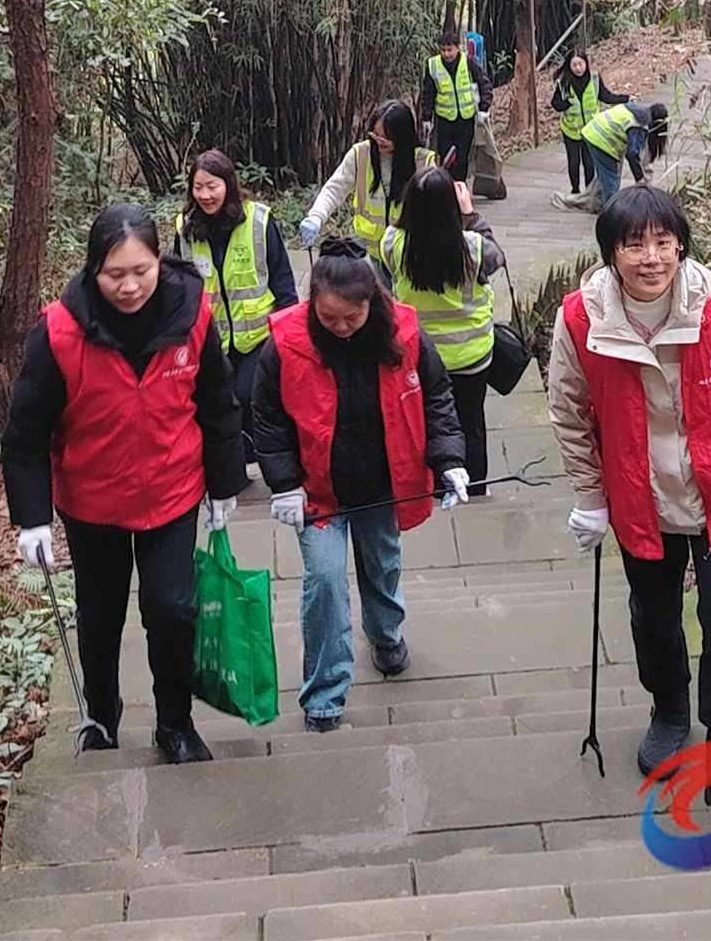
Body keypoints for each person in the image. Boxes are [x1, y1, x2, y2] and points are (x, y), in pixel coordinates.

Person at [546, 185, 711, 808]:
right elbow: (569, 413)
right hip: (638, 497)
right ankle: (669, 709)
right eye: (634, 244)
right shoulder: (581, 319)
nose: (651, 257)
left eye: (663, 242)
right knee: (653, 615)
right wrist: (590, 496)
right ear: (610, 254)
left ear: (681, 245)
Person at [1, 204, 246, 763]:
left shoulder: (192, 315)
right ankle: (102, 713)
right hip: (93, 502)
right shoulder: (59, 332)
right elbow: (25, 432)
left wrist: (224, 481)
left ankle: (175, 723)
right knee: (100, 612)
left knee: (171, 609)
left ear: (159, 261)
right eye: (115, 275)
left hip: (172, 489)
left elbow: (217, 401)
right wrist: (32, 518)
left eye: (142, 270)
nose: (130, 285)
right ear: (93, 271)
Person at [252, 239, 469, 731]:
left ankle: (387, 637)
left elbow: (436, 396)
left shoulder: (405, 336)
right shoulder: (285, 345)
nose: (342, 328)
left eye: (352, 318)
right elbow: (266, 416)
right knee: (324, 584)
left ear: (373, 303)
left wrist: (450, 458)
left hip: (383, 482)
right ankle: (325, 697)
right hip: (317, 491)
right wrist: (283, 482)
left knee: (382, 563)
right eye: (330, 319)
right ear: (313, 307)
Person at [380, 167, 502, 492]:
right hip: (471, 354)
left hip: (421, 356)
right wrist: (471, 215)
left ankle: (433, 484)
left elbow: (389, 272)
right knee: (470, 422)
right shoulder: (473, 247)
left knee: (428, 423)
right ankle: (475, 487)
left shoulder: (393, 243)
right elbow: (496, 257)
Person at [174, 149, 298, 441]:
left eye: (212, 186)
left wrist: (289, 339)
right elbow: (179, 286)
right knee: (218, 406)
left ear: (228, 185)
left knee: (248, 398)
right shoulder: (185, 229)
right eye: (198, 187)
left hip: (259, 337)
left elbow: (284, 284)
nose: (206, 195)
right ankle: (239, 467)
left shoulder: (258, 221)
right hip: (214, 340)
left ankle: (268, 458)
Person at [299, 101, 435, 264]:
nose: (379, 140)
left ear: (402, 136)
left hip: (408, 257)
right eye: (376, 134)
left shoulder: (423, 162)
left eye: (387, 137)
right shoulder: (360, 155)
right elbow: (335, 189)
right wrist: (316, 216)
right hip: (372, 254)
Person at [550, 50, 631, 199]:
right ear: (569, 66)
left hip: (591, 131)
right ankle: (575, 191)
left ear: (586, 64)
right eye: (574, 65)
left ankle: (589, 192)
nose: (578, 68)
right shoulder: (563, 83)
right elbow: (555, 103)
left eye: (581, 64)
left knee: (589, 163)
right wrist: (565, 104)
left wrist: (626, 98)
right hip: (571, 130)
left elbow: (606, 96)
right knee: (574, 163)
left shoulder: (594, 79)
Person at [420, 28, 493, 182]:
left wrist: (484, 108)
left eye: (450, 50)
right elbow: (428, 92)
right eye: (443, 50)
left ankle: (460, 187)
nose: (447, 54)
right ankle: (448, 187)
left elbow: (484, 82)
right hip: (445, 119)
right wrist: (427, 117)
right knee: (446, 157)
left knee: (462, 157)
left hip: (465, 119)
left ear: (458, 47)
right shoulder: (433, 65)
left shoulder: (468, 61)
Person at [581, 95, 669, 204]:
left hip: (592, 131)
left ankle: (598, 204)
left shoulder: (636, 111)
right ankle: (610, 212)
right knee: (611, 179)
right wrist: (639, 178)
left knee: (604, 176)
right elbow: (632, 154)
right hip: (600, 140)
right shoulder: (640, 124)